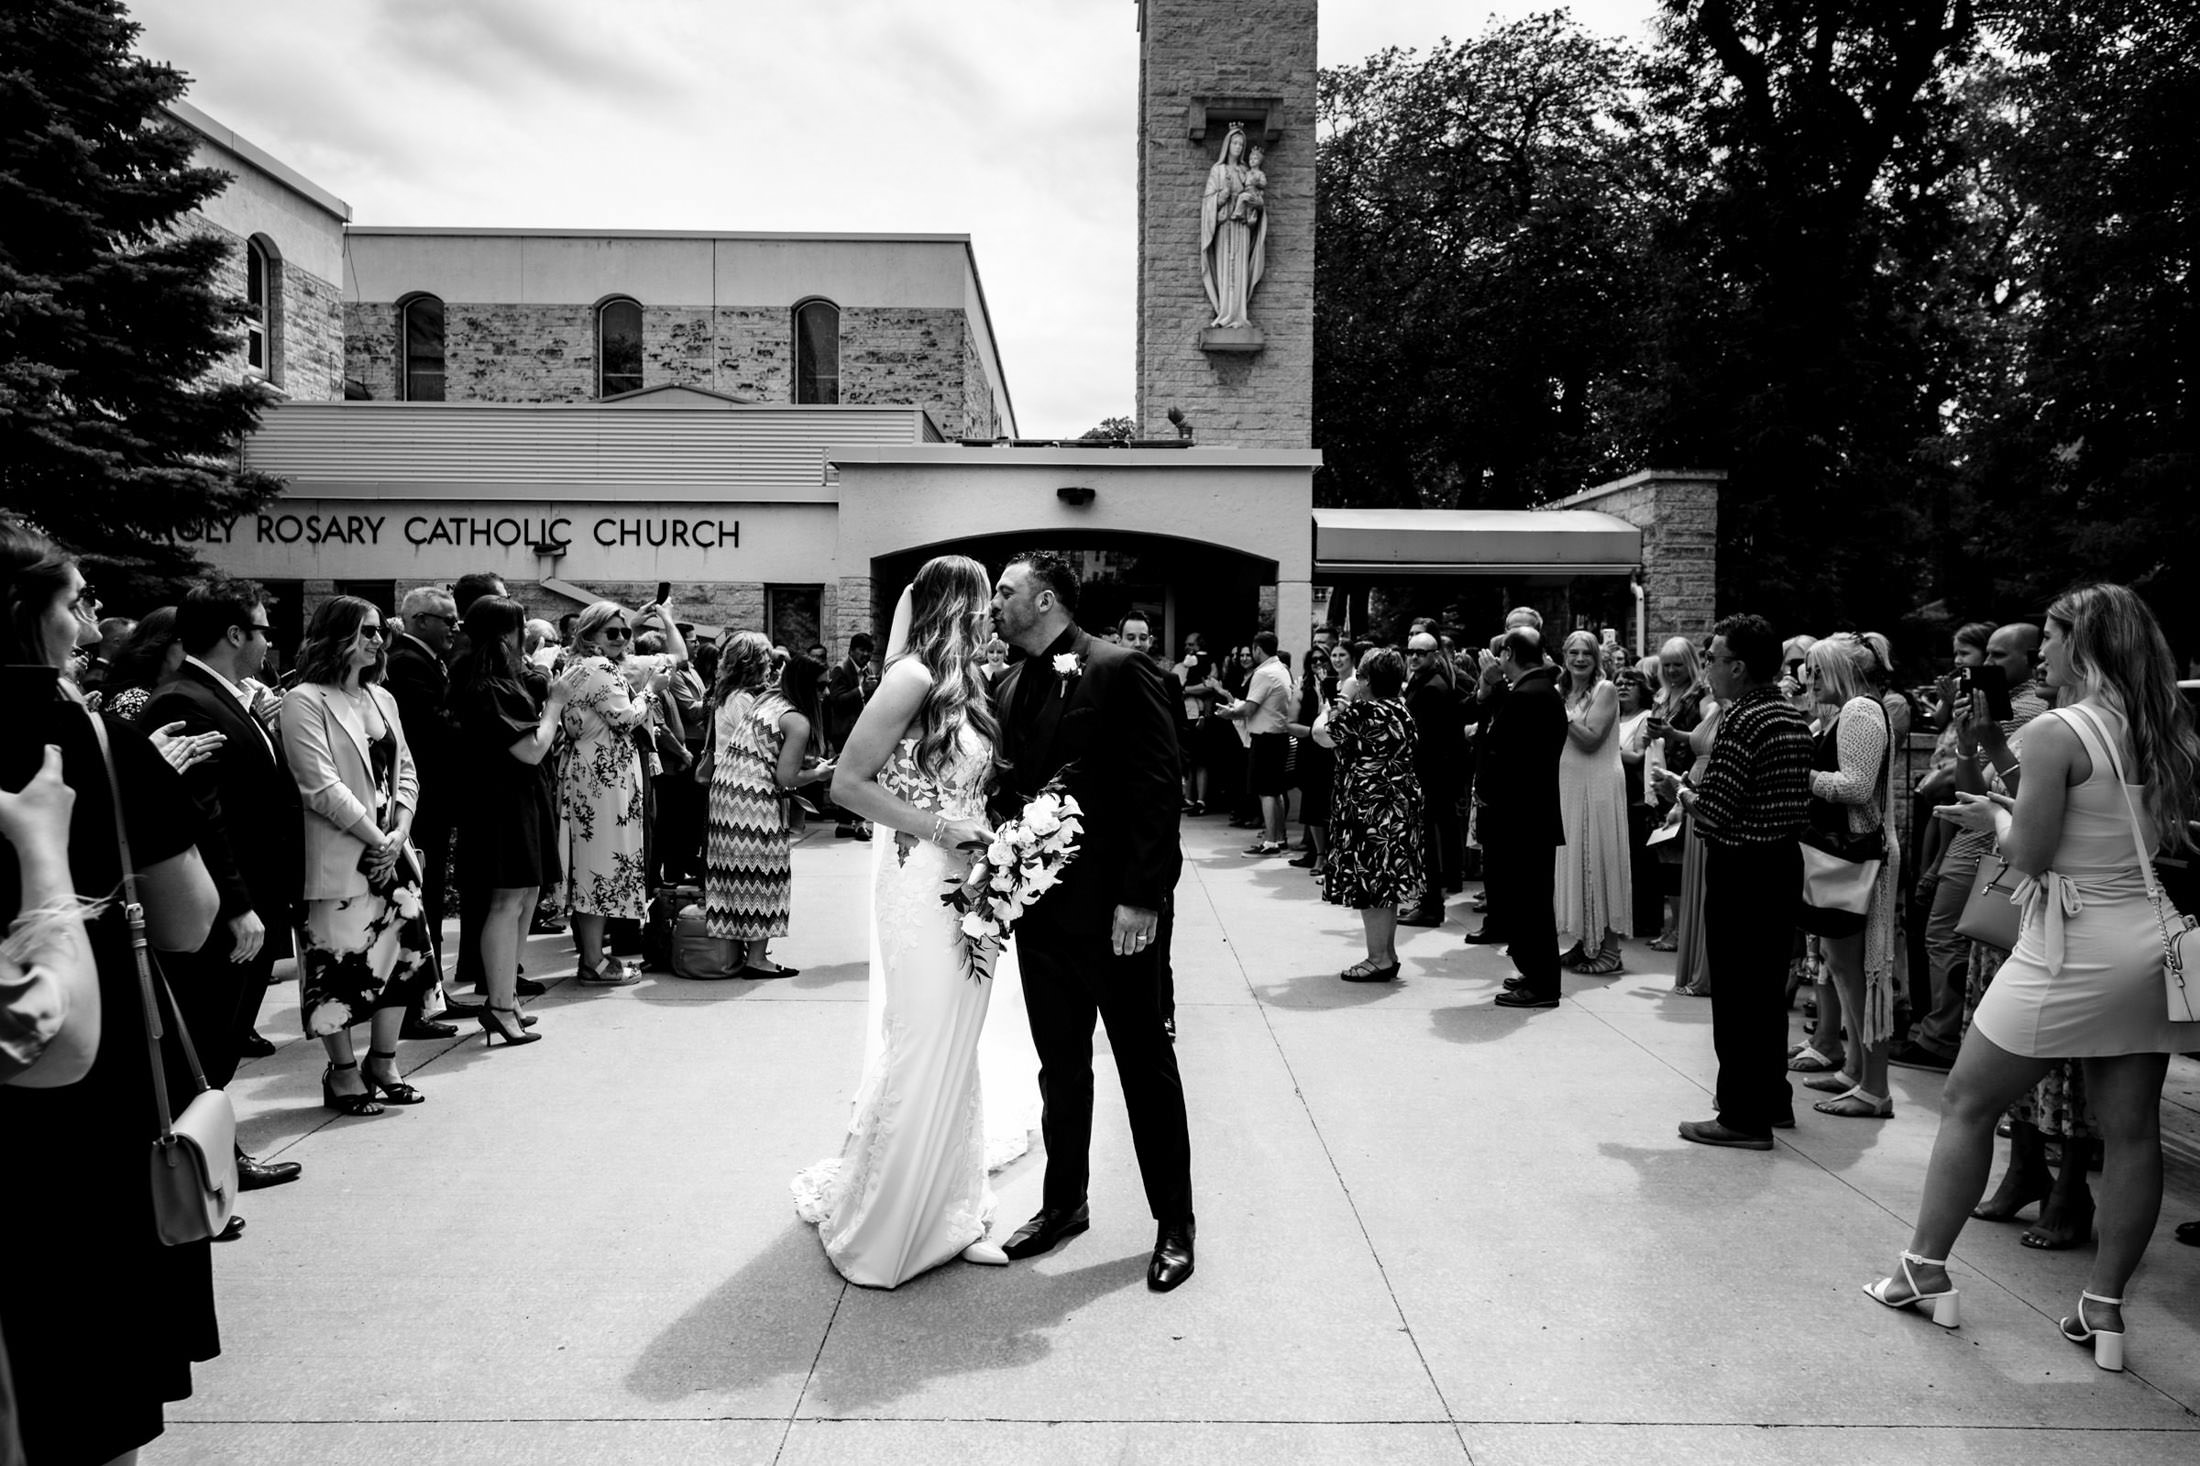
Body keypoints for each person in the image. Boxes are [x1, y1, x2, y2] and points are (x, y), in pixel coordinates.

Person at [1867, 584, 2200, 1369]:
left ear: (2080, 642)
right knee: (2130, 1133)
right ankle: (2105, 1311)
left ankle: (1923, 1269)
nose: (2041, 653)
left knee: (1967, 1101)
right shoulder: (2163, 724)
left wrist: (1996, 820)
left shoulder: (2058, 731)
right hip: (2148, 944)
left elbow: (2029, 856)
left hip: (2071, 945)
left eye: (2049, 638)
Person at [0, 516, 224, 1466]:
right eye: (77, 604)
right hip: (75, 1098)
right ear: (28, 617)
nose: (92, 630)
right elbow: (187, 920)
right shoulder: (84, 739)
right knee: (88, 1384)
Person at [794, 557, 1011, 1286]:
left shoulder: (966, 684)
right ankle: (891, 1218)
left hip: (974, 884)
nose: (991, 617)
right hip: (920, 883)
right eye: (985, 603)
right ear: (959, 604)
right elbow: (849, 787)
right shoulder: (911, 676)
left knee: (957, 1041)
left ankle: (956, 1204)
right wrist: (938, 826)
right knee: (922, 1038)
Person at [986, 551, 1196, 1291]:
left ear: (1045, 601)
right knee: (1061, 1069)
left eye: (1006, 592)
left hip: (1118, 916)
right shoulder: (1010, 684)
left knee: (1144, 1064)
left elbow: (1155, 787)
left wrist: (1142, 899)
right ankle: (1062, 1204)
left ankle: (1175, 1223)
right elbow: (1014, 791)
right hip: (1042, 919)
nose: (996, 602)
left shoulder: (1117, 668)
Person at [140, 579, 307, 1194]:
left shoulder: (222, 695)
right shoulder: (183, 699)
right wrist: (238, 907)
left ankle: (213, 1157)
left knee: (220, 1042)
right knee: (205, 1040)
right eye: (264, 629)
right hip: (223, 909)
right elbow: (203, 816)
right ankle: (197, 1174)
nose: (270, 641)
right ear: (235, 634)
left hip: (256, 895)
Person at [279, 597, 439, 1114]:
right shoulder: (304, 699)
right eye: (366, 631)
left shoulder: (383, 699)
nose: (377, 640)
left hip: (392, 848)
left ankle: (384, 1061)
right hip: (342, 850)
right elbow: (318, 784)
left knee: (403, 958)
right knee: (339, 963)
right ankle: (343, 1073)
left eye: (379, 632)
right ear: (336, 634)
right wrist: (376, 839)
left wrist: (400, 831)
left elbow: (407, 769)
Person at [1676, 615, 1815, 1149]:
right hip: (1780, 863)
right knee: (1764, 994)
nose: (1707, 666)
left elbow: (1713, 813)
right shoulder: (1790, 715)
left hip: (1743, 869)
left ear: (1737, 666)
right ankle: (1771, 1101)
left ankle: (1741, 1116)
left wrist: (1681, 795)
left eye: (1712, 657)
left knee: (1736, 998)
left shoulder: (1743, 721)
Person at [1893, 622, 2049, 1072]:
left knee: (1951, 936)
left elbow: (2022, 795)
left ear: (2030, 655)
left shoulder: (2031, 710)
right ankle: (1947, 1033)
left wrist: (1990, 744)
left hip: (1996, 844)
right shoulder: (1999, 707)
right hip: (1977, 832)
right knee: (1957, 940)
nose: (1986, 665)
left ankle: (1942, 1036)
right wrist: (1966, 745)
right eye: (1989, 655)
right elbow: (1971, 787)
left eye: (1999, 657)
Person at [1793, 634, 1904, 1119]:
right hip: (1846, 856)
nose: (1808, 679)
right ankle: (1856, 1070)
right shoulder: (1848, 711)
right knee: (1842, 966)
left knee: (1860, 971)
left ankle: (1874, 1087)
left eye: (1816, 671)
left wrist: (1801, 775)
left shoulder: (1860, 710)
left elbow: (1858, 787)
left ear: (1838, 670)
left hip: (1858, 857)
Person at [449, 596, 565, 1045]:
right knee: (506, 901)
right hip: (501, 803)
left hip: (520, 798)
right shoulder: (487, 687)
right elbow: (531, 748)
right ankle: (498, 1004)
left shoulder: (498, 680)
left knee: (526, 896)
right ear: (506, 634)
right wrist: (553, 704)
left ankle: (508, 995)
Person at [704, 634, 833, 978]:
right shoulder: (798, 720)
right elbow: (786, 777)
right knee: (765, 873)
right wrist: (818, 773)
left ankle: (737, 950)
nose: (826, 693)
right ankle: (757, 960)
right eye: (821, 686)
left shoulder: (767, 700)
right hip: (754, 800)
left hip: (725, 791)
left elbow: (764, 751)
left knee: (732, 872)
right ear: (806, 686)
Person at [555, 601, 666, 986]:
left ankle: (593, 957)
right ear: (590, 636)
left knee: (591, 865)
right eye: (612, 632)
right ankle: (594, 962)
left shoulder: (576, 667)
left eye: (625, 632)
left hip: (590, 772)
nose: (621, 638)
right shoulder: (599, 668)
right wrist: (651, 692)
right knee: (600, 866)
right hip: (603, 779)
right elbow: (625, 718)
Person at [385, 585, 469, 1032]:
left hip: (433, 799)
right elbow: (435, 728)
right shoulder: (405, 664)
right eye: (447, 619)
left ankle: (430, 996)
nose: (455, 626)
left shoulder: (427, 661)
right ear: (419, 620)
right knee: (421, 902)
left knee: (431, 900)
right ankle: (415, 1005)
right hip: (420, 802)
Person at [1315, 647, 1427, 981]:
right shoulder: (1400, 708)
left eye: (1360, 676)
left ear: (1367, 680)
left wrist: (1327, 709)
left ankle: (1378, 957)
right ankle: (1386, 954)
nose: (1357, 681)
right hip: (1397, 806)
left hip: (1371, 810)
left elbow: (1322, 735)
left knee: (1373, 884)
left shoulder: (1364, 710)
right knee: (1386, 883)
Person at [1480, 629, 1569, 1008]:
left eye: (1501, 655)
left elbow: (1506, 753)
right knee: (1525, 900)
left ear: (1511, 653)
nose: (1498, 662)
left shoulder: (1529, 697)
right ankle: (1534, 973)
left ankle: (1543, 984)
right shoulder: (1539, 693)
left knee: (1531, 903)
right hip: (1529, 814)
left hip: (1522, 817)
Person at [1554, 630, 1633, 975]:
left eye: (1587, 653)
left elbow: (1590, 740)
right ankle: (1582, 940)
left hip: (1599, 784)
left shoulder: (1606, 690)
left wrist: (1562, 712)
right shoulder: (1562, 690)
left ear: (1597, 657)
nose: (1580, 659)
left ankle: (1610, 950)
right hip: (1569, 785)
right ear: (1564, 656)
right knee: (1574, 860)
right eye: (1573, 652)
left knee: (1601, 858)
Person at [1400, 632, 1467, 926]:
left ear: (1434, 655)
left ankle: (1430, 906)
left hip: (1431, 775)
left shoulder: (1433, 687)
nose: (1414, 657)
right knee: (1423, 842)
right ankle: (1427, 902)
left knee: (1427, 843)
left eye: (1421, 653)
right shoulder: (1422, 681)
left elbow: (1428, 740)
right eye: (1410, 651)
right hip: (1428, 773)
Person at [1217, 630, 1293, 856]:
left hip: (1266, 738)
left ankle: (1270, 842)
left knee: (1266, 792)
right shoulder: (1282, 669)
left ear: (1258, 649)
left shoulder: (1264, 673)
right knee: (1276, 791)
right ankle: (1279, 838)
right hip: (1279, 736)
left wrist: (1229, 713)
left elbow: (1249, 708)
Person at [1287, 640, 1348, 872]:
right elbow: (1290, 724)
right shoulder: (1302, 687)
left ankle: (1330, 854)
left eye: (1323, 659)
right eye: (1314, 660)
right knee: (1312, 805)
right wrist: (1314, 733)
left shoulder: (1339, 686)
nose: (1319, 664)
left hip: (1332, 752)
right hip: (1311, 752)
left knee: (1331, 804)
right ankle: (1319, 854)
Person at [1200, 121, 1266, 328]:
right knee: (1226, 268)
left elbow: (1256, 195)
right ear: (1227, 145)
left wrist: (1258, 205)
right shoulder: (1217, 170)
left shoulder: (1246, 170)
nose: (1237, 147)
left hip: (1243, 227)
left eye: (1240, 144)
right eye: (1234, 143)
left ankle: (1239, 314)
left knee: (1239, 269)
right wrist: (1221, 196)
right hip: (1225, 227)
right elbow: (1207, 201)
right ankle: (1225, 312)